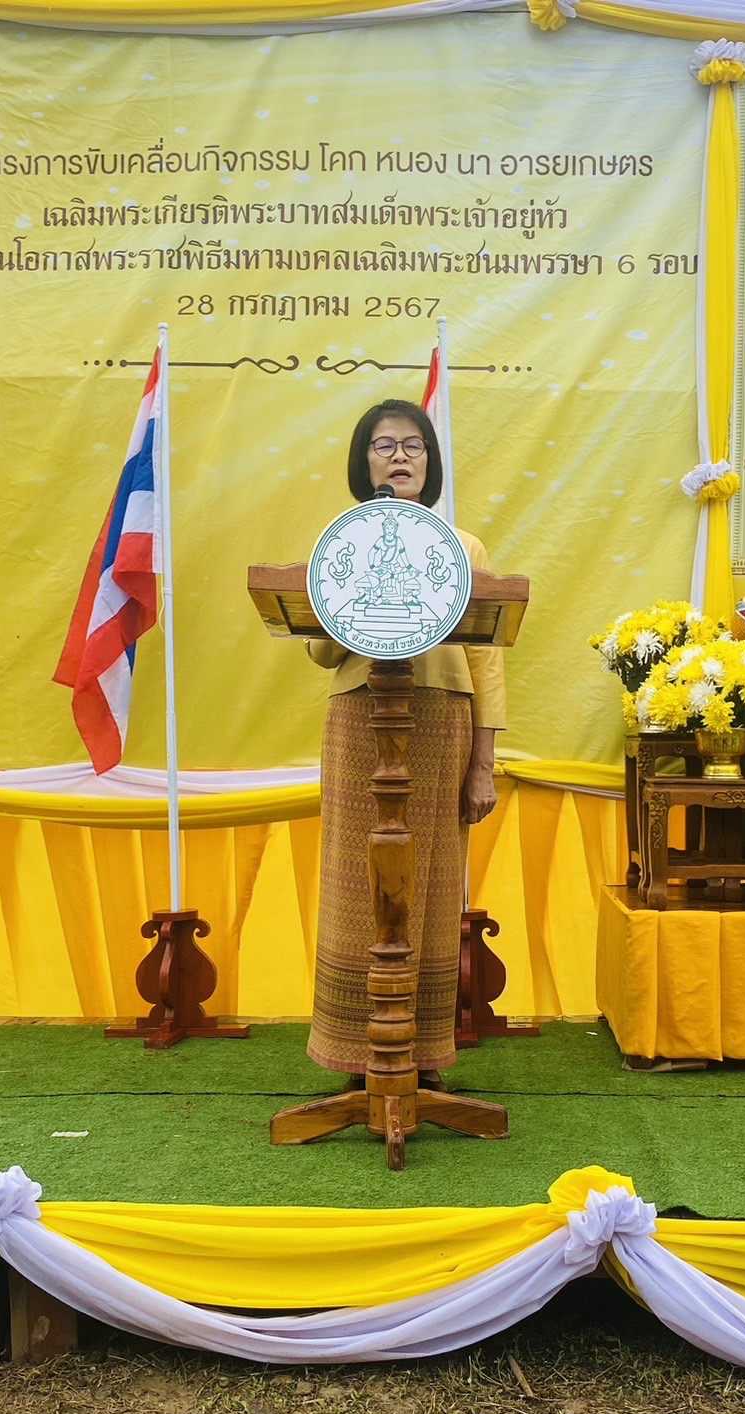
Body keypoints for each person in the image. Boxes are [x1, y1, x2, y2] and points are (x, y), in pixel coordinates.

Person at [305, 399, 505, 1089]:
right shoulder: (344, 541)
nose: (399, 456)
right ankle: (356, 1054)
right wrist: (347, 586)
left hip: (442, 721)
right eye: (384, 445)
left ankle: (421, 1054)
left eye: (413, 445)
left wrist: (484, 764)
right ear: (364, 462)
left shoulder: (465, 548)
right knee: (354, 883)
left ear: (431, 460)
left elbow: (487, 664)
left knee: (434, 882)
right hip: (362, 717)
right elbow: (323, 653)